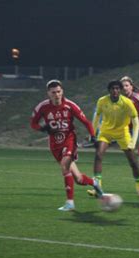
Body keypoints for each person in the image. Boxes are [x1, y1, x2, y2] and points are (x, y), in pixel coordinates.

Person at [30, 79, 103, 211]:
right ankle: (95, 183)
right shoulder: (43, 107)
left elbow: (85, 121)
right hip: (54, 144)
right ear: (48, 93)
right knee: (79, 179)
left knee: (65, 166)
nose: (56, 95)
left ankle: (70, 203)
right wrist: (43, 128)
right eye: (53, 93)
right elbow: (33, 123)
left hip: (69, 140)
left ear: (62, 91)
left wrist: (93, 136)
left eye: (58, 92)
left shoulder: (70, 105)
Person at [90, 80, 139, 199]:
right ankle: (97, 188)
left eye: (117, 89)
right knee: (98, 155)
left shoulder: (127, 102)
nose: (115, 91)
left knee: (133, 162)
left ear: (120, 90)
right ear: (109, 90)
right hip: (106, 132)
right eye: (113, 89)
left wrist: (133, 140)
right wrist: (93, 133)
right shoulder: (102, 101)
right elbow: (97, 116)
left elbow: (136, 122)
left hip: (123, 133)